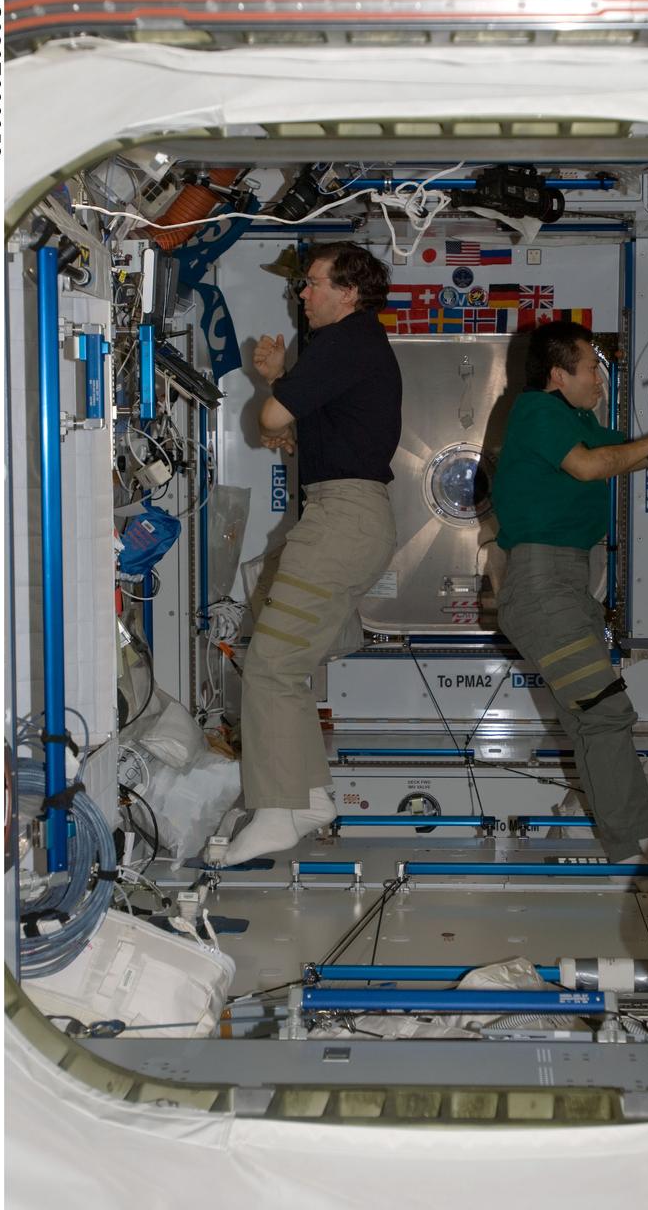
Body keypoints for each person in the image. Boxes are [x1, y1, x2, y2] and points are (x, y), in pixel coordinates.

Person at [492, 321, 648, 866]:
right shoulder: (537, 410)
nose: (600, 383)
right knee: (605, 713)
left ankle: (623, 842)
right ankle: (635, 849)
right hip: (543, 588)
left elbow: (627, 452)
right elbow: (590, 466)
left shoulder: (576, 419)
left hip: (565, 585)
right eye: (592, 370)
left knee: (592, 717)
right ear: (559, 374)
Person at [222, 242, 402, 866]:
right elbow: (292, 428)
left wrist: (279, 391)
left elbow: (271, 419)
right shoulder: (351, 347)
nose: (303, 294)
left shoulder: (346, 342)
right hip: (341, 516)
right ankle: (308, 798)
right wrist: (279, 383)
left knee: (271, 664)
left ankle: (276, 811)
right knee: (282, 664)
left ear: (348, 292)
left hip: (340, 520)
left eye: (314, 284)